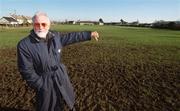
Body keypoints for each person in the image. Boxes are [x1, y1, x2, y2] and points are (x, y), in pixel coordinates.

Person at [17, 12, 99, 111]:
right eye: (37, 24)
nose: (40, 27)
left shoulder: (55, 36)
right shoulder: (24, 45)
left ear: (49, 24)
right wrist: (40, 85)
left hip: (61, 76)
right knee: (47, 106)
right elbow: (26, 70)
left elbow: (71, 37)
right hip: (45, 81)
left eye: (44, 24)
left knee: (66, 101)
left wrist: (88, 34)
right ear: (33, 25)